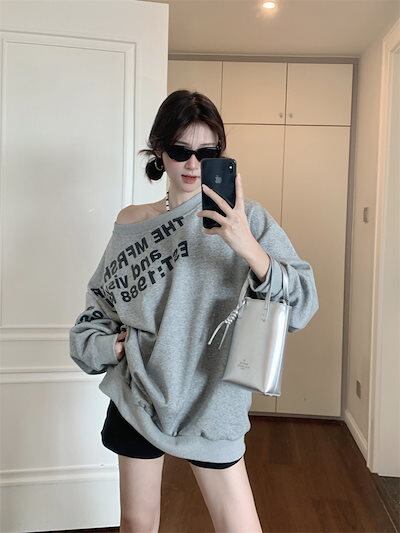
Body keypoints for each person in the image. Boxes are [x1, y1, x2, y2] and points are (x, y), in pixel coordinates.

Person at [69, 89, 319, 533]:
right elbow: (100, 305)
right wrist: (113, 347)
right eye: (180, 150)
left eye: (207, 152)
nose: (192, 164)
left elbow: (302, 302)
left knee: (237, 525)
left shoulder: (248, 220)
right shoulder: (131, 222)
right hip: (140, 393)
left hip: (213, 398)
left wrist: (246, 245)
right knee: (136, 522)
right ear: (159, 151)